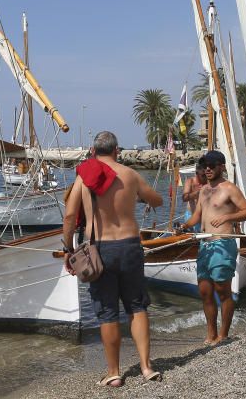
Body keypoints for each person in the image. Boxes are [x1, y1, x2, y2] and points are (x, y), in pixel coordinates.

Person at [62, 131, 164, 386]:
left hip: (100, 249)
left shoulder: (85, 177)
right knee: (137, 306)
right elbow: (157, 200)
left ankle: (114, 372)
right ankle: (146, 366)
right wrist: (135, 196)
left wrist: (68, 249)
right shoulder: (130, 174)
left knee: (107, 311)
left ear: (93, 151)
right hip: (130, 246)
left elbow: (69, 215)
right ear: (117, 150)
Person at [177, 150, 246, 345]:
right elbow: (197, 216)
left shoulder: (229, 188)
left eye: (212, 165)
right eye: (205, 166)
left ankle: (223, 334)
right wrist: (184, 226)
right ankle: (210, 333)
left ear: (222, 166)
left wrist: (228, 217)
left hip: (222, 244)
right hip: (205, 245)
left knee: (223, 290)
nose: (208, 169)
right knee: (204, 291)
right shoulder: (203, 190)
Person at [180, 158, 207, 230]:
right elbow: (184, 198)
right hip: (191, 215)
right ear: (197, 173)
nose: (205, 178)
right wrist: (196, 193)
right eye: (203, 175)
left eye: (206, 175)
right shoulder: (190, 181)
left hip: (204, 217)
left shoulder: (209, 182)